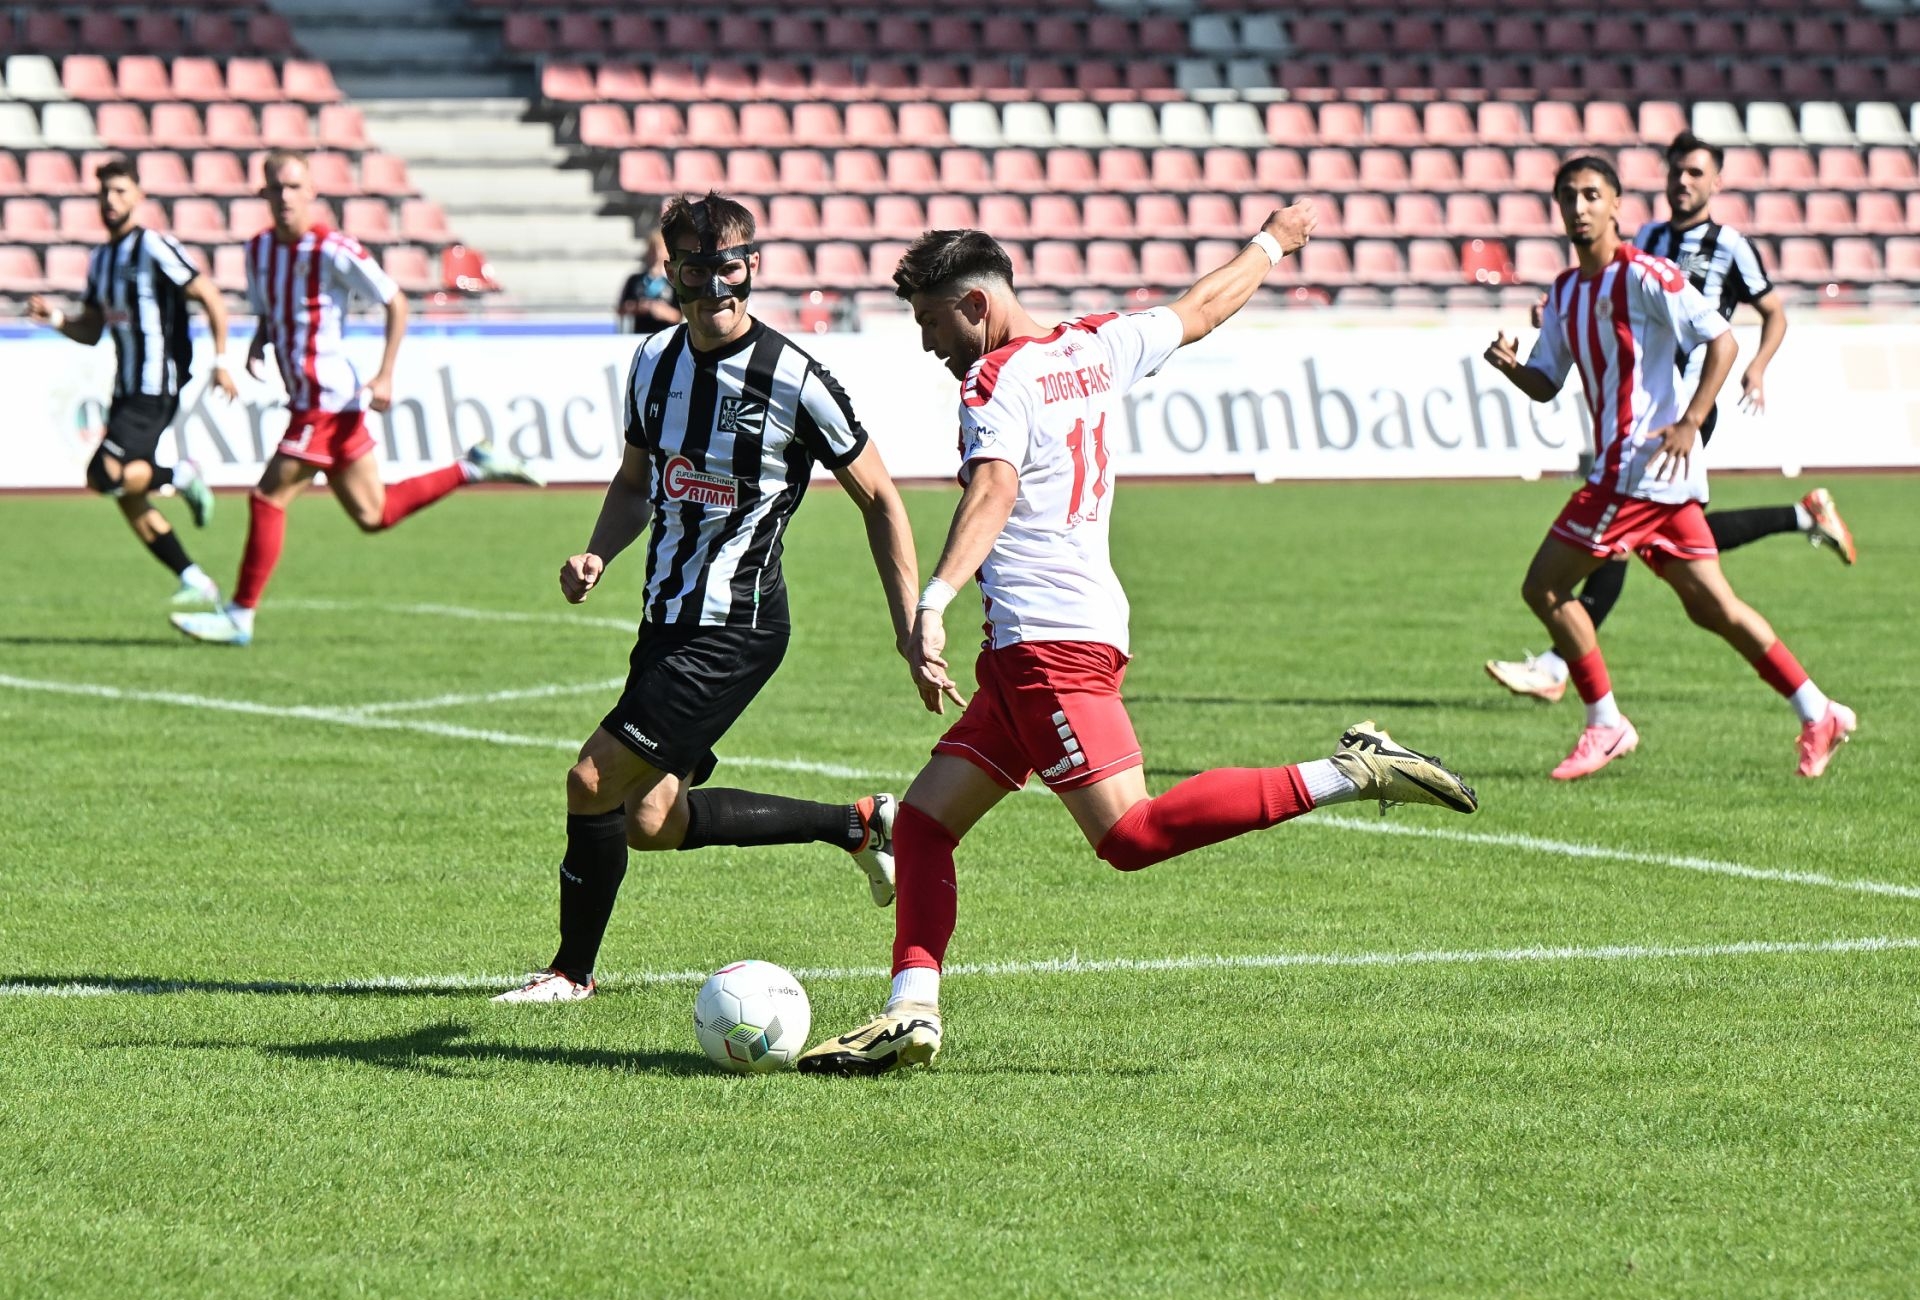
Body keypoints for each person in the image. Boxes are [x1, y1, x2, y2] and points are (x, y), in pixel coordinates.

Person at [796, 217, 1481, 1076]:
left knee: (1129, 832)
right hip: (1036, 650)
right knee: (926, 824)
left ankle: (1353, 770)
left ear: (974, 304)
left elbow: (995, 487)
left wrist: (933, 600)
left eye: (932, 321)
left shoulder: (992, 382)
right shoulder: (1095, 344)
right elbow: (1201, 308)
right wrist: (1271, 245)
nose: (929, 343)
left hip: (1047, 647)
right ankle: (911, 1011)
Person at [492, 192, 923, 1004]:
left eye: (730, 266)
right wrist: (597, 551)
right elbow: (634, 483)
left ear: (753, 267)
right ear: (672, 273)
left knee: (591, 780)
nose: (715, 285)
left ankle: (570, 972)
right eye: (696, 269)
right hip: (666, 618)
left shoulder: (795, 378)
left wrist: (911, 625)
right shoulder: (653, 362)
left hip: (736, 624)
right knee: (653, 820)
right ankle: (858, 823)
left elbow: (881, 499)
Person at [1481, 156, 1855, 782]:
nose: (1579, 207)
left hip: (1634, 471)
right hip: (1655, 481)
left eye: (1591, 195)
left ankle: (1605, 722)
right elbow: (1547, 382)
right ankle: (1820, 711)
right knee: (1715, 608)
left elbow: (1723, 340)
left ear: (1616, 204)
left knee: (1543, 587)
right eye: (1568, 196)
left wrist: (1691, 420)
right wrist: (1512, 368)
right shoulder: (1566, 292)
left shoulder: (1647, 275)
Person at [170, 149, 541, 647]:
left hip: (326, 400)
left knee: (267, 498)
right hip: (318, 402)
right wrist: (261, 342)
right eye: (276, 187)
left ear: (311, 192)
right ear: (263, 193)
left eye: (294, 187)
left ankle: (240, 615)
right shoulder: (258, 250)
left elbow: (395, 301)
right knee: (373, 513)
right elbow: (270, 311)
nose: (285, 196)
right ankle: (472, 466)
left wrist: (385, 374)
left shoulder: (332, 249)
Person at [26, 158, 232, 606]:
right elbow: (91, 330)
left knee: (104, 474)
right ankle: (195, 579)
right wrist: (56, 318)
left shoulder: (154, 246)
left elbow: (209, 295)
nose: (111, 200)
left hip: (157, 384)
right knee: (124, 494)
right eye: (105, 192)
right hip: (125, 388)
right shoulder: (101, 260)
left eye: (120, 191)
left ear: (138, 196)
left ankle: (181, 474)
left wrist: (221, 360)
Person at [616, 229, 681, 335]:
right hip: (640, 336)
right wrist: (639, 307)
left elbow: (680, 316)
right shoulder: (635, 280)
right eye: (653, 250)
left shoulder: (674, 281)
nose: (657, 254)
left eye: (660, 249)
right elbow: (621, 309)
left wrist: (662, 311)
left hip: (667, 337)